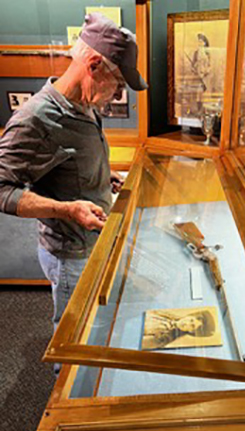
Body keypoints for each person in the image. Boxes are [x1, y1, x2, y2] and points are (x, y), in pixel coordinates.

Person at [0, 13, 148, 333]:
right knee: (72, 336)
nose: (118, 93)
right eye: (118, 83)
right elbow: (1, 189)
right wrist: (67, 209)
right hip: (70, 255)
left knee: (95, 325)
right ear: (93, 65)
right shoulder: (34, 119)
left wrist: (101, 176)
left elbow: (69, 161)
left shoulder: (86, 105)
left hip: (91, 242)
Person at [142, 309, 215, 350]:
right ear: (189, 316)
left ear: (191, 331)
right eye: (191, 320)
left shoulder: (163, 340)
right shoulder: (164, 313)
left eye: (192, 326)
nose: (187, 323)